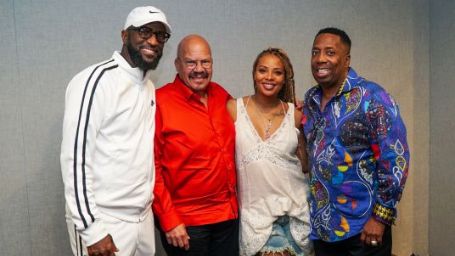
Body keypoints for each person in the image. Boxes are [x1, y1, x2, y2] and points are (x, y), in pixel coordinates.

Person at [60, 6, 171, 256]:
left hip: (142, 220)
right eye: (144, 31)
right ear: (124, 36)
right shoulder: (94, 81)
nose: (153, 40)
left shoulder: (148, 87)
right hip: (104, 222)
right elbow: (75, 162)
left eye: (160, 35)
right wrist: (92, 230)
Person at [302, 27, 410, 256]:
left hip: (363, 229)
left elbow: (396, 158)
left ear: (346, 60)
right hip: (323, 229)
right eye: (315, 52)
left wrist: (380, 218)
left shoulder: (372, 97)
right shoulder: (311, 100)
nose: (320, 59)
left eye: (330, 52)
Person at [152, 34, 239, 256]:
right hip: (186, 223)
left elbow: (254, 117)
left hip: (228, 218)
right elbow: (150, 168)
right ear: (177, 64)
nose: (199, 69)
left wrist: (287, 110)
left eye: (205, 62)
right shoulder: (159, 102)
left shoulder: (221, 94)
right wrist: (169, 219)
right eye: (191, 62)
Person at [227, 48, 313, 256]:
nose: (269, 77)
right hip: (257, 220)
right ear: (254, 74)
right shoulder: (232, 109)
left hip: (297, 215)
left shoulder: (295, 114)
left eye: (277, 72)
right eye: (263, 70)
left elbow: (305, 165)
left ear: (285, 79)